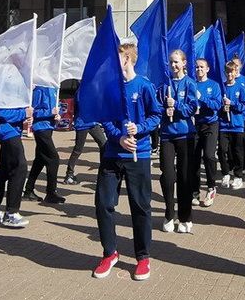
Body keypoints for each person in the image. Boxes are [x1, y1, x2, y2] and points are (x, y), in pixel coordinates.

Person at [92, 43, 161, 281]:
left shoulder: (143, 86)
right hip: (113, 154)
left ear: (128, 59)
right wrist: (118, 138)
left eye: (118, 58)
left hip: (138, 155)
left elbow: (156, 115)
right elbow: (105, 119)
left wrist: (140, 129)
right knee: (103, 204)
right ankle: (110, 253)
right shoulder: (110, 88)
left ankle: (143, 257)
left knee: (140, 206)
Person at [158, 49, 197, 234]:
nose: (173, 65)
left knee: (184, 177)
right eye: (171, 62)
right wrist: (164, 108)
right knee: (167, 176)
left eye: (176, 62)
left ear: (184, 63)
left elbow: (192, 108)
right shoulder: (164, 84)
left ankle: (185, 216)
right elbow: (156, 106)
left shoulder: (189, 83)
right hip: (166, 135)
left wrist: (177, 106)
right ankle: (168, 214)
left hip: (185, 135)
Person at [0, 98, 31, 229]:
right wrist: (23, 114)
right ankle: (11, 212)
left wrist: (25, 116)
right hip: (5, 130)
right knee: (19, 167)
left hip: (12, 129)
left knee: (3, 170)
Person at [22, 84, 64, 204]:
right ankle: (51, 192)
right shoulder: (39, 89)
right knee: (54, 158)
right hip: (40, 127)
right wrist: (50, 113)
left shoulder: (54, 87)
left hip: (49, 126)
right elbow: (33, 111)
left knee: (40, 159)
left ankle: (28, 190)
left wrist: (58, 114)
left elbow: (57, 105)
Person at [192, 58, 222, 208]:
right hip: (195, 125)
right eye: (197, 67)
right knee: (194, 158)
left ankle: (211, 187)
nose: (199, 70)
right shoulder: (192, 84)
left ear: (207, 69)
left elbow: (217, 105)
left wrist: (201, 98)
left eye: (202, 67)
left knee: (209, 156)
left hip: (211, 124)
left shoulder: (214, 85)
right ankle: (195, 190)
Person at [219, 59, 245, 191]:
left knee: (238, 151)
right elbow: (217, 105)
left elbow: (244, 106)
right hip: (224, 125)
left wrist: (232, 104)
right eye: (227, 72)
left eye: (231, 72)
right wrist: (222, 107)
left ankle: (238, 176)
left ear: (236, 71)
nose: (229, 75)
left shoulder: (240, 88)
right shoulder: (222, 88)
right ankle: (226, 173)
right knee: (222, 150)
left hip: (237, 125)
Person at [63, 110, 106, 186]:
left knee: (104, 145)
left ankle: (103, 174)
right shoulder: (81, 97)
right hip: (82, 123)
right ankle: (69, 175)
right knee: (78, 149)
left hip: (93, 123)